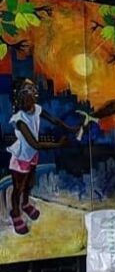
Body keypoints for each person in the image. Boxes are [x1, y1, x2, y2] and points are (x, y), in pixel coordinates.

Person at [6, 79, 76, 235]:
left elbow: (54, 120)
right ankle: (15, 213)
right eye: (26, 90)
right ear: (19, 96)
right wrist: (58, 145)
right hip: (21, 158)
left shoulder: (37, 109)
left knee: (29, 183)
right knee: (18, 188)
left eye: (31, 89)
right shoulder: (19, 120)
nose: (30, 92)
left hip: (31, 157)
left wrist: (70, 129)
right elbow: (34, 144)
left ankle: (25, 204)